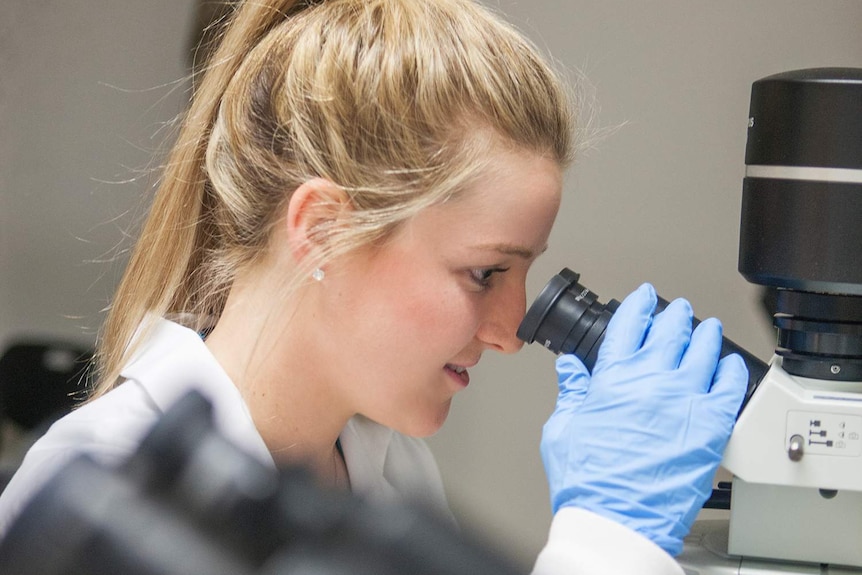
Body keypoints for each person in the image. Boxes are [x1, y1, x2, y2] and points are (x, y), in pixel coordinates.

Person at [0, 0, 747, 573]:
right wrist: (608, 539)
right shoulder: (107, 486)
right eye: (486, 271)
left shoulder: (381, 467)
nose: (512, 329)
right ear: (321, 228)